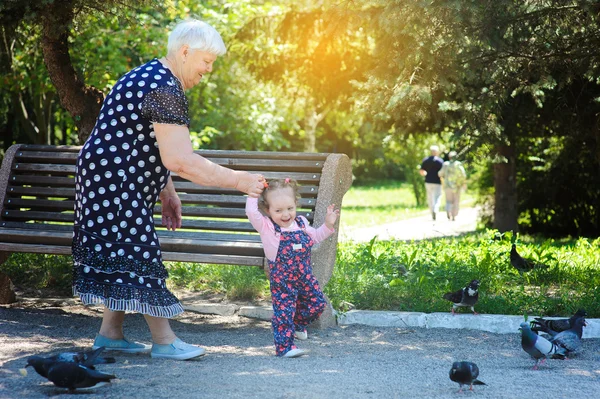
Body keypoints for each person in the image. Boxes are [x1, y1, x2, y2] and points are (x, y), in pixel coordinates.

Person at [72, 19, 265, 361]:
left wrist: (166, 191)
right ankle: (164, 340)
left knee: (126, 251)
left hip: (107, 175)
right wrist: (239, 181)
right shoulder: (165, 87)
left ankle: (109, 335)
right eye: (207, 60)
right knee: (140, 250)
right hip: (115, 180)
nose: (209, 69)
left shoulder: (151, 75)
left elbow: (150, 145)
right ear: (185, 51)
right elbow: (180, 158)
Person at [245, 178, 339, 358]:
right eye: (278, 210)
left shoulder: (302, 224)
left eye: (290, 208)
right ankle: (285, 347)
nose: (285, 214)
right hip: (283, 280)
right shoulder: (267, 227)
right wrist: (252, 193)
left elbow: (316, 237)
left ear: (296, 204)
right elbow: (251, 211)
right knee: (284, 313)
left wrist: (328, 225)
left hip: (305, 276)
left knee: (318, 304)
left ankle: (297, 324)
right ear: (268, 210)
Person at [438, 151, 467, 221]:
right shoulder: (458, 164)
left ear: (449, 157)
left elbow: (440, 174)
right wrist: (463, 183)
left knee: (448, 200)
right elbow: (463, 175)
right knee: (456, 201)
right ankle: (454, 216)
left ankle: (448, 212)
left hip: (447, 186)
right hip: (457, 186)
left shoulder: (445, 164)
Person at [419, 145, 444, 220]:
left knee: (430, 197)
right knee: (437, 197)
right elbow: (442, 173)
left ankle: (432, 211)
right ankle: (435, 209)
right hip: (437, 182)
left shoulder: (425, 160)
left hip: (428, 182)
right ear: (437, 152)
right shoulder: (440, 161)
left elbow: (422, 171)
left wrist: (425, 174)